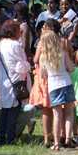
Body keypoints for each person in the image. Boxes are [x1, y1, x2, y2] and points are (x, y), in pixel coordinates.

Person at [39, 30, 75, 150]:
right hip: (66, 83)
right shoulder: (63, 53)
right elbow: (71, 68)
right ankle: (68, 139)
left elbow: (43, 75)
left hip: (54, 86)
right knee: (69, 113)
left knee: (57, 115)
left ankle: (56, 143)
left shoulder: (43, 57)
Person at [0, 20, 31, 146]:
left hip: (4, 81)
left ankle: (1, 138)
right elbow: (21, 65)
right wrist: (28, 66)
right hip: (15, 81)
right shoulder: (15, 45)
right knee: (13, 112)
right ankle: (10, 139)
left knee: (4, 112)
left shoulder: (0, 44)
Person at [30, 19, 57, 147]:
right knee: (55, 109)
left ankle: (47, 137)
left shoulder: (41, 42)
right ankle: (55, 135)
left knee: (46, 110)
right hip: (54, 77)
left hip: (42, 78)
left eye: (44, 27)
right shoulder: (57, 41)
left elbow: (35, 59)